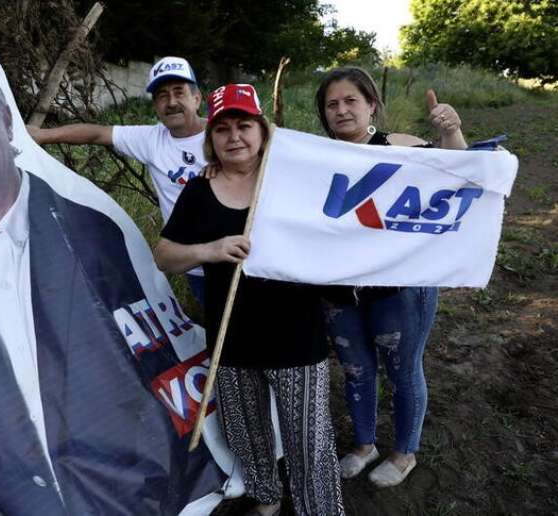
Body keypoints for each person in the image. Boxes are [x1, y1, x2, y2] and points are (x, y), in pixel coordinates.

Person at [0, 28, 226, 514]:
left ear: (1, 117)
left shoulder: (94, 229)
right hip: (196, 267)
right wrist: (43, 137)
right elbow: (97, 133)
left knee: (236, 354)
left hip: (231, 268)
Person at [154, 83, 344, 516]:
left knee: (308, 438)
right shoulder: (200, 190)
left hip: (297, 335)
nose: (234, 137)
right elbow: (165, 256)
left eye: (244, 126)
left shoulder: (291, 181)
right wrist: (210, 250)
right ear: (211, 138)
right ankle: (265, 495)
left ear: (263, 131)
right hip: (232, 338)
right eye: (223, 129)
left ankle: (320, 508)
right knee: (247, 431)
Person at [314, 66, 467, 487]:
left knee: (402, 369)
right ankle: (364, 445)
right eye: (332, 104)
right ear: (324, 114)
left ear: (371, 105)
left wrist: (450, 131)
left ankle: (405, 452)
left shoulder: (399, 145)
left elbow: (457, 173)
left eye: (351, 101)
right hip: (339, 289)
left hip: (400, 288)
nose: (342, 110)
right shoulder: (313, 159)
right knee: (356, 368)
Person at [27, 56, 208, 305]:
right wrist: (42, 135)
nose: (172, 102)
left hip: (238, 255)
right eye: (163, 96)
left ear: (197, 98)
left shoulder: (224, 135)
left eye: (180, 92)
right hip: (193, 263)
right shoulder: (152, 140)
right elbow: (97, 134)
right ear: (155, 105)